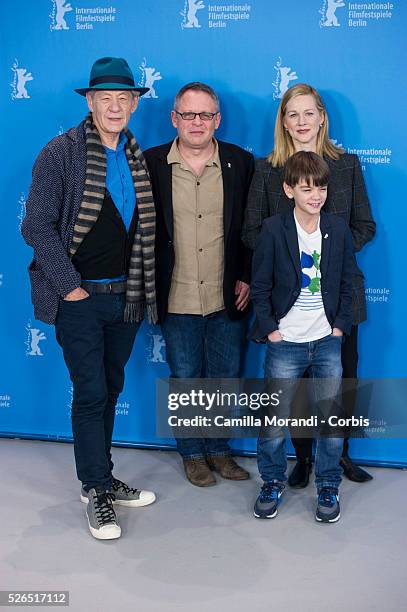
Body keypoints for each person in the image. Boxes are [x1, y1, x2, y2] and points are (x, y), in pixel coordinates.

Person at [22, 57, 157, 540]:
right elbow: (34, 223)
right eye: (106, 98)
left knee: (111, 388)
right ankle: (96, 490)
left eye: (124, 98)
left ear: (135, 103)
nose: (115, 106)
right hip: (79, 298)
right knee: (92, 392)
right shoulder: (60, 153)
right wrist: (70, 289)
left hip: (127, 295)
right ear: (90, 101)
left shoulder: (139, 157)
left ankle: (100, 476)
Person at [242, 83, 376, 485]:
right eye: (292, 114)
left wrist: (328, 253)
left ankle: (342, 456)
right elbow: (251, 231)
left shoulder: (348, 166)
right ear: (283, 121)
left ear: (322, 117)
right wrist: (290, 254)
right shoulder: (267, 169)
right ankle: (303, 457)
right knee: (294, 387)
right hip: (289, 306)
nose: (301, 122)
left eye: (308, 113)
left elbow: (365, 225)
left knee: (341, 378)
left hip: (337, 301)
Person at [144, 82, 254, 486]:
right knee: (187, 377)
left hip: (227, 293)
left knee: (224, 376)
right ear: (174, 118)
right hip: (176, 293)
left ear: (217, 120)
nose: (196, 122)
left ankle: (220, 451)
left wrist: (246, 275)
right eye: (188, 114)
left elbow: (249, 227)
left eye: (205, 114)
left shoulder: (240, 163)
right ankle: (192, 454)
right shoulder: (151, 162)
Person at [251, 150, 355, 523]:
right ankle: (272, 481)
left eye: (321, 188)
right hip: (286, 342)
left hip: (327, 339)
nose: (316, 195)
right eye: (307, 188)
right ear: (289, 189)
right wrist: (272, 331)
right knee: (275, 421)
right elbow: (260, 285)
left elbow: (348, 281)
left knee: (330, 422)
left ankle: (328, 485)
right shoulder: (274, 229)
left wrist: (339, 326)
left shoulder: (338, 230)